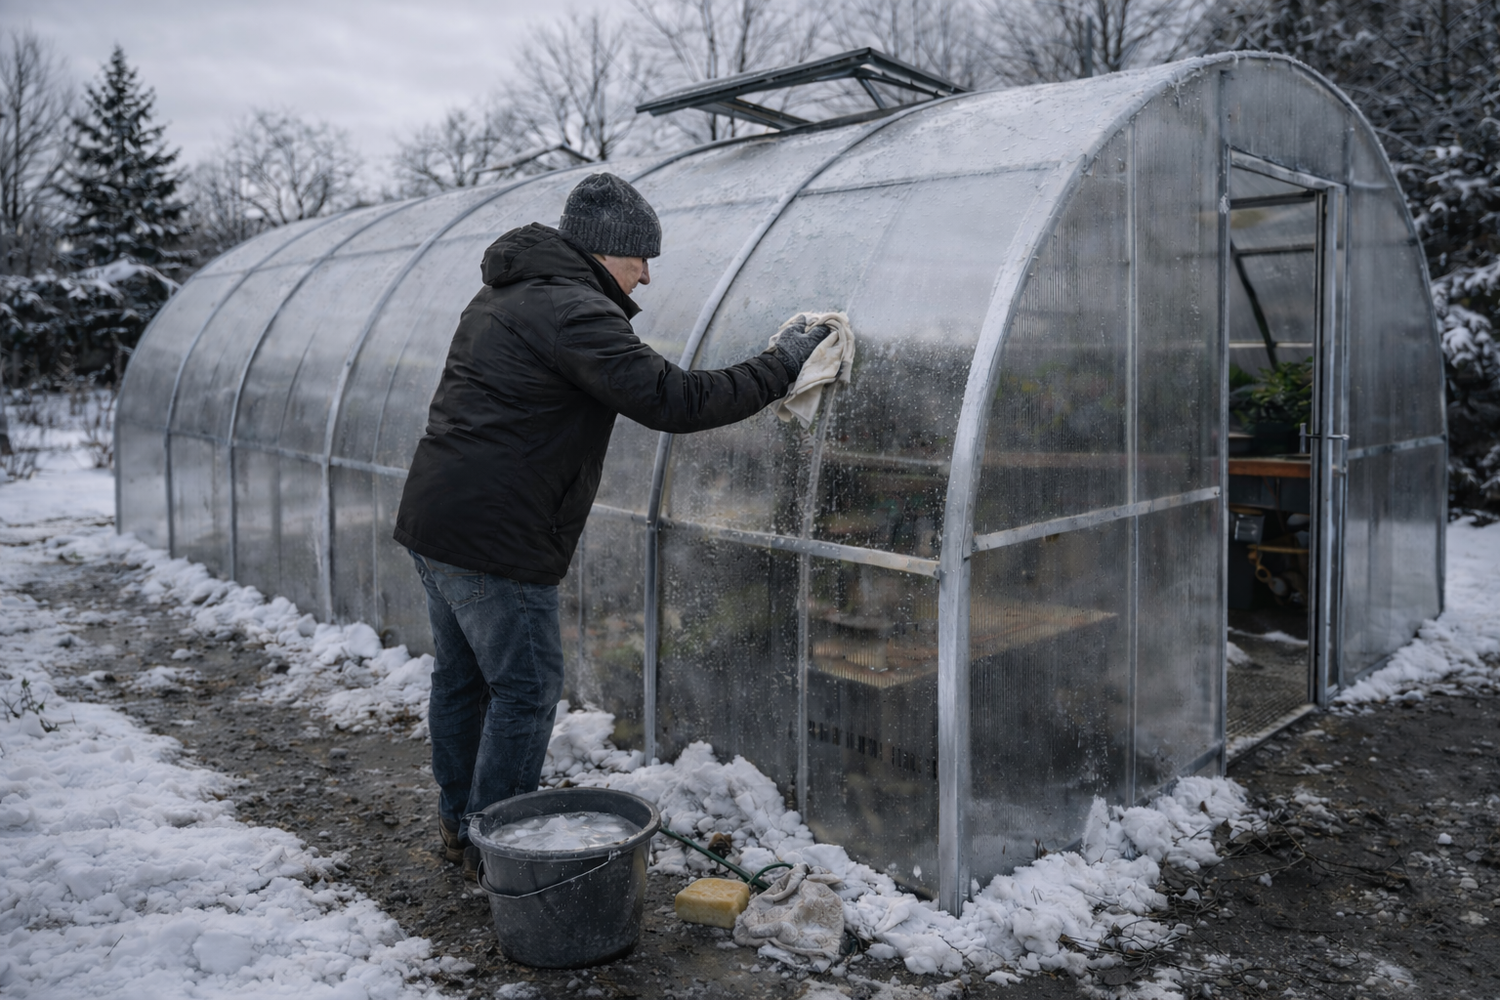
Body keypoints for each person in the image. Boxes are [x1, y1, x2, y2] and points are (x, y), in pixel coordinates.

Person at [393, 172, 834, 878]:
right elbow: (675, 400)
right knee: (526, 689)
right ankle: (496, 849)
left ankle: (461, 827)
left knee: (463, 680)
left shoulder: (508, 293)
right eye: (641, 259)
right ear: (608, 251)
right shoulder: (573, 310)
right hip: (496, 538)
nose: (648, 277)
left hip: (439, 521)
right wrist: (782, 366)